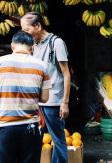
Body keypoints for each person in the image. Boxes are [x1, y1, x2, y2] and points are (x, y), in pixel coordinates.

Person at [0, 30, 51, 163]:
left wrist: (1, 93)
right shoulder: (42, 66)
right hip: (30, 129)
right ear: (32, 47)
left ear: (12, 46)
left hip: (6, 128)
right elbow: (44, 98)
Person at [21, 12, 71, 163]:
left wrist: (65, 102)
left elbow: (66, 74)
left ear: (38, 25)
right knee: (37, 138)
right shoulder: (34, 45)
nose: (25, 34)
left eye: (27, 30)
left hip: (53, 101)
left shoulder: (56, 43)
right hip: (37, 101)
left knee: (58, 139)